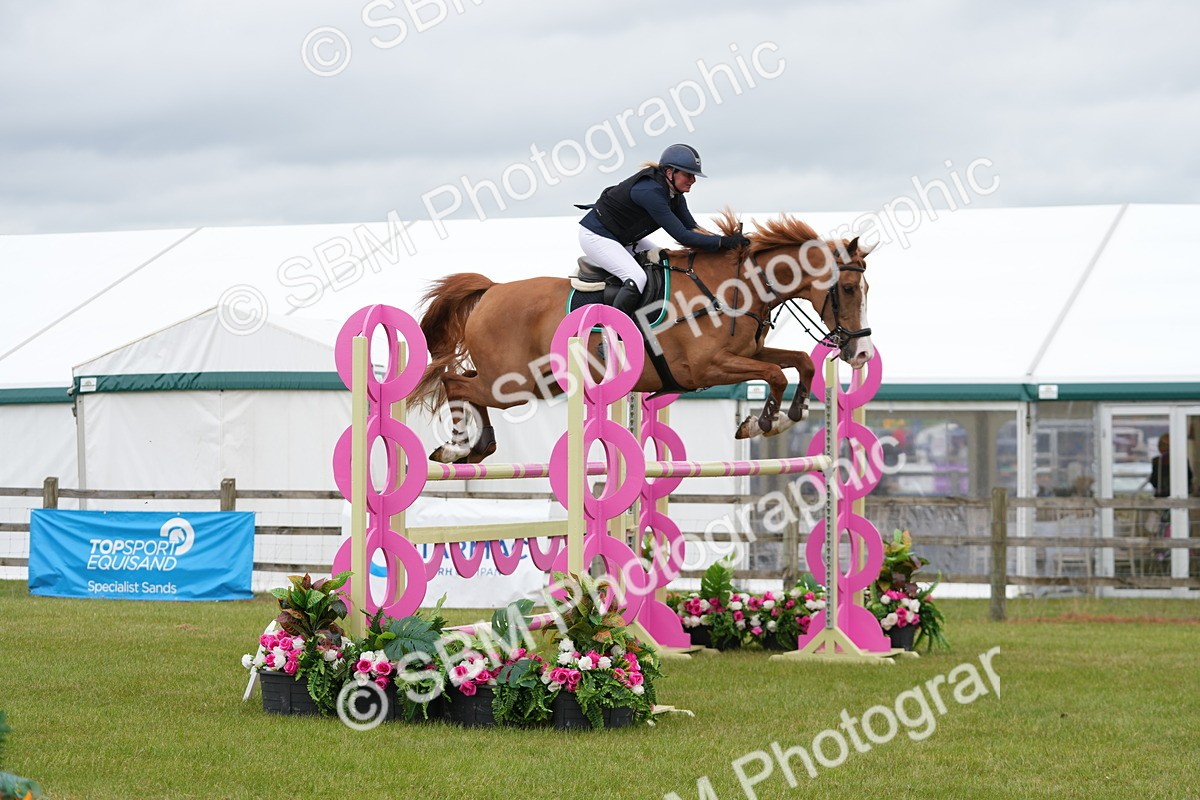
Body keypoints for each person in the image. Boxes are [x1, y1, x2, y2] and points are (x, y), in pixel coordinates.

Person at [577, 143, 751, 315]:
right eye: (688, 175)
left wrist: (725, 241)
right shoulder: (650, 192)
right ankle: (611, 331)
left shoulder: (675, 195)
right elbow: (683, 236)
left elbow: (692, 228)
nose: (693, 180)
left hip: (622, 237)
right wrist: (723, 242)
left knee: (664, 261)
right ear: (670, 173)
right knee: (637, 278)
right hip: (596, 235)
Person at [1149, 434, 1194, 498]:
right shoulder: (1182, 460)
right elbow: (1189, 477)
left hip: (1163, 496)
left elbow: (1154, 480)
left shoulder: (1157, 461)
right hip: (1181, 495)